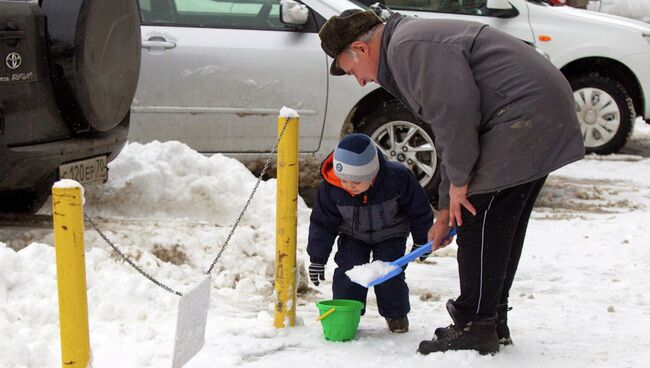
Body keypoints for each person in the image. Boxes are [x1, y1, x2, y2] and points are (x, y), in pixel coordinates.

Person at [318, 9, 584, 354]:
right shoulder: (406, 45)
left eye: (352, 69)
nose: (360, 81)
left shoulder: (407, 47)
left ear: (361, 47)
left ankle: (476, 324)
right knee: (499, 221)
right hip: (533, 110)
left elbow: (455, 116)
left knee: (479, 217)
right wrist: (444, 209)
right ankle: (490, 316)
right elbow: (446, 132)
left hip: (522, 112)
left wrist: (459, 185)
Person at [307, 133, 434, 333]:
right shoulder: (332, 188)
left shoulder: (397, 178)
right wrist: (317, 258)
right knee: (349, 272)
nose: (350, 186)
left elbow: (419, 210)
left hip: (391, 233)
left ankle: (396, 314)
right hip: (353, 234)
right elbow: (322, 224)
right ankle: (348, 315)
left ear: (372, 174)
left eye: (357, 181)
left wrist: (423, 241)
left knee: (389, 273)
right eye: (345, 180)